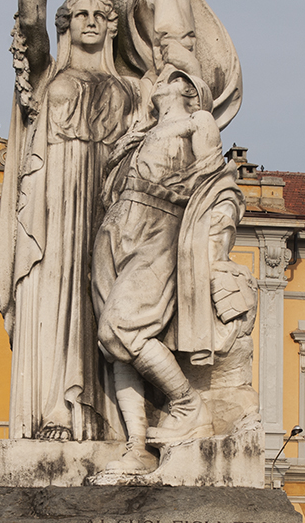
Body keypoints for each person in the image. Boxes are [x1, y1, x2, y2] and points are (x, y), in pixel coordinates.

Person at [0, 0, 138, 441]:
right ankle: (57, 407)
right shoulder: (47, 75)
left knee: (109, 302)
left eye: (101, 14)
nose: (91, 21)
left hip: (112, 204)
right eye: (79, 14)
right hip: (55, 204)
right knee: (58, 298)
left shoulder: (133, 90)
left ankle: (114, 420)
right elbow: (29, 22)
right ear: (66, 24)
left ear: (113, 26)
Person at [91, 67, 246, 473]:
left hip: (159, 225)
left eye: (170, 76)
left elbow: (213, 174)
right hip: (116, 228)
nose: (158, 80)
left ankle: (188, 405)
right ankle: (137, 445)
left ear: (187, 87)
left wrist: (214, 247)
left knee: (121, 327)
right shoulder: (139, 134)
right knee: (113, 347)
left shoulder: (197, 121)